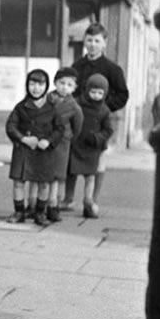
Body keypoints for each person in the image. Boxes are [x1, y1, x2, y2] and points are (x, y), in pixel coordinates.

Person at [63, 22, 128, 209]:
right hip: (77, 123)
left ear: (104, 43)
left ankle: (92, 200)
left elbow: (123, 95)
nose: (92, 44)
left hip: (99, 126)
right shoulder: (77, 66)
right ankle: (68, 199)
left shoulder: (112, 69)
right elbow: (70, 88)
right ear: (84, 41)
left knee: (98, 163)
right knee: (71, 161)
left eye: (97, 41)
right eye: (89, 40)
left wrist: (103, 108)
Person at [5, 69, 65, 226]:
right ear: (27, 85)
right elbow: (11, 126)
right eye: (32, 84)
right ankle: (19, 212)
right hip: (23, 150)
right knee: (18, 181)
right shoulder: (20, 107)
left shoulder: (52, 108)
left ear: (46, 86)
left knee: (43, 183)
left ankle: (40, 213)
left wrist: (49, 141)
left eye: (40, 84)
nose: (36, 88)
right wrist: (23, 138)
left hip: (43, 152)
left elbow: (59, 129)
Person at [68, 73, 114, 218]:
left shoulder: (104, 110)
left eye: (100, 93)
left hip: (93, 146)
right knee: (70, 172)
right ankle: (66, 198)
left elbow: (108, 129)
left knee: (91, 176)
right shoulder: (77, 104)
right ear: (86, 90)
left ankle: (88, 201)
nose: (96, 96)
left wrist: (97, 138)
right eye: (93, 92)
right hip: (77, 143)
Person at [46, 67, 83, 222]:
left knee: (56, 176)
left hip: (62, 143)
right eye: (61, 83)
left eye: (69, 85)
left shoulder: (74, 106)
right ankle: (38, 203)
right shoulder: (47, 99)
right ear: (55, 82)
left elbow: (78, 125)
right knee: (42, 173)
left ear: (74, 88)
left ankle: (53, 204)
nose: (64, 87)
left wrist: (69, 137)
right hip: (46, 141)